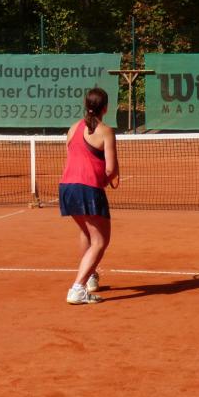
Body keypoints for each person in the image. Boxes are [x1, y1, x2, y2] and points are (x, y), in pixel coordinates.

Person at [59, 87, 119, 304]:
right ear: (106, 108)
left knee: (86, 231)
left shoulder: (73, 128)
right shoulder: (106, 131)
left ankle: (90, 276)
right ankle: (77, 288)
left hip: (67, 188)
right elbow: (110, 169)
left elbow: (75, 157)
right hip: (88, 189)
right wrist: (104, 180)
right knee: (101, 241)